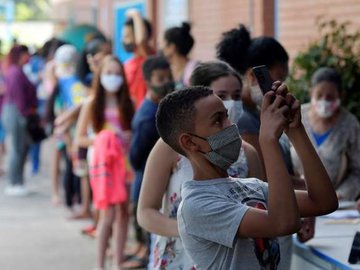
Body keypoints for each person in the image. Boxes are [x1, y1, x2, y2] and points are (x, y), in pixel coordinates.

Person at [155, 84, 338, 269]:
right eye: (218, 121)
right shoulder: (196, 205)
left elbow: (323, 201)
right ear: (190, 142)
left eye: (226, 116)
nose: (231, 125)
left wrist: (296, 130)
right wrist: (268, 140)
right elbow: (284, 223)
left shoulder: (250, 186)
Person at [137, 61, 263, 269]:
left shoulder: (248, 153)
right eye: (222, 96)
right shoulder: (171, 146)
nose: (231, 103)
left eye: (237, 96)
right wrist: (192, 228)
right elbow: (145, 212)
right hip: (179, 257)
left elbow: (263, 208)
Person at [75, 55, 134, 270]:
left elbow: (133, 133)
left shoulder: (129, 103)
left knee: (123, 213)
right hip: (104, 167)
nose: (114, 78)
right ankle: (100, 265)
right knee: (107, 215)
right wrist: (103, 140)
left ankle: (118, 261)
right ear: (100, 75)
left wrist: (128, 136)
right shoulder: (91, 104)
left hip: (125, 164)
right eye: (109, 73)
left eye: (118, 74)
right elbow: (80, 138)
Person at [123, 55, 174, 269]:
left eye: (168, 77)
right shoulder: (148, 117)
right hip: (145, 180)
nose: (166, 82)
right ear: (147, 81)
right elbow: (135, 157)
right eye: (160, 79)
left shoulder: (156, 109)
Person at [291, 67, 360, 201]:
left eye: (330, 97)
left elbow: (357, 172)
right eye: (319, 95)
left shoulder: (350, 125)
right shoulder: (296, 117)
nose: (324, 101)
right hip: (298, 201)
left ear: (341, 96)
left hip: (336, 206)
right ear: (311, 93)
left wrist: (339, 195)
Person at [2, 45, 37, 196]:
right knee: (17, 149)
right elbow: (19, 97)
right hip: (16, 112)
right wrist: (25, 114)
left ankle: (18, 181)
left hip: (16, 111)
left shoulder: (16, 70)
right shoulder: (15, 72)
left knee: (21, 148)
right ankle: (14, 182)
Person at [122, 8, 154, 108]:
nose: (123, 40)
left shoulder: (149, 57)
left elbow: (141, 41)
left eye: (127, 36)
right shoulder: (126, 64)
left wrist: (136, 15)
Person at [162, 22, 197, 89]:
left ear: (172, 47)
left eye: (162, 43)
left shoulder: (193, 70)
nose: (161, 48)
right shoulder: (169, 69)